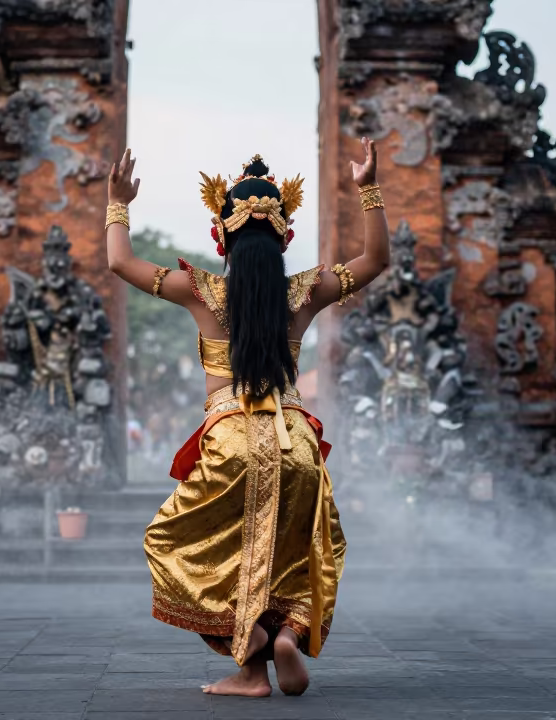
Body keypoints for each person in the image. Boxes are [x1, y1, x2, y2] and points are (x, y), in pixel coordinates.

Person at [105, 139, 390, 697]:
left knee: (174, 542)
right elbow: (376, 261)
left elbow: (119, 261)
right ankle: (280, 636)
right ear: (282, 239)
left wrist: (119, 202)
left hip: (231, 436)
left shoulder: (201, 291)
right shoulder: (302, 295)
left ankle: (252, 648)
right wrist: (368, 190)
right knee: (288, 551)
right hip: (295, 442)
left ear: (223, 238)